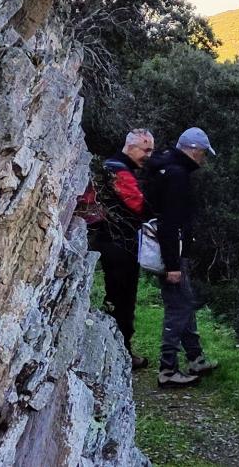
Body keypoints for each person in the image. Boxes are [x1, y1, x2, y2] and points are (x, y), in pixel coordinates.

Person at [145, 126, 219, 388]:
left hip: (169, 251)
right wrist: (173, 265)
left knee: (184, 303)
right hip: (172, 253)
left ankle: (196, 357)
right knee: (179, 307)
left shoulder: (163, 167)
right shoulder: (177, 175)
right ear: (194, 150)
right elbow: (170, 223)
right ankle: (168, 369)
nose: (203, 159)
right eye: (203, 154)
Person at [91, 129, 155, 369]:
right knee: (123, 299)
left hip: (109, 240)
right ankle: (122, 353)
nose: (149, 155)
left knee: (116, 298)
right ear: (131, 146)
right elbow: (139, 206)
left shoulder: (111, 165)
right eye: (145, 150)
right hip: (119, 244)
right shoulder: (118, 169)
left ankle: (115, 350)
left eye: (152, 150)